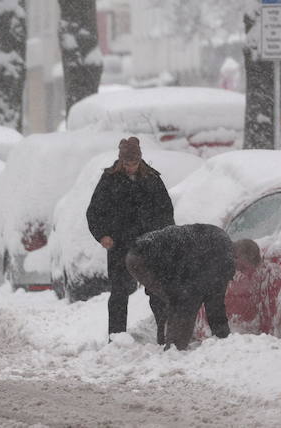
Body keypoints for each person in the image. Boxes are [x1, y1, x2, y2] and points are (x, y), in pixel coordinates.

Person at [85, 137, 175, 338]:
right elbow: (94, 212)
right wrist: (102, 235)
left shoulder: (152, 178)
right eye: (127, 163)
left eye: (134, 163)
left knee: (157, 290)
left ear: (140, 160)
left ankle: (165, 334)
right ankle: (116, 338)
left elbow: (166, 211)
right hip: (119, 245)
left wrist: (164, 238)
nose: (131, 167)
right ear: (120, 161)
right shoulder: (109, 180)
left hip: (149, 244)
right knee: (119, 292)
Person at [125, 223, 248, 351]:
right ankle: (174, 350)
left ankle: (168, 346)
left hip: (137, 254)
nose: (239, 271)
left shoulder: (219, 239)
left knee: (177, 299)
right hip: (146, 259)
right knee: (186, 301)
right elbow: (215, 304)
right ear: (238, 255)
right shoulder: (224, 257)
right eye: (243, 267)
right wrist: (224, 337)